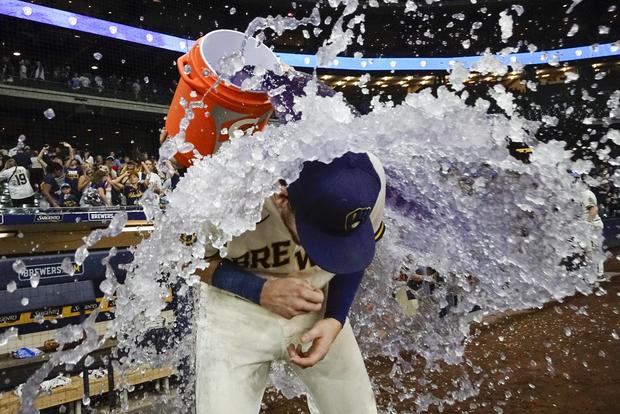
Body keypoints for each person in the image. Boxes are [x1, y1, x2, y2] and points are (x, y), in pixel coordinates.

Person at [194, 152, 386, 413]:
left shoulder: (370, 175)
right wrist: (259, 290)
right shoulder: (226, 188)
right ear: (282, 198)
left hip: (318, 304)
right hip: (234, 309)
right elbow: (189, 262)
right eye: (317, 234)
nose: (328, 248)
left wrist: (335, 317)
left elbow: (353, 255)